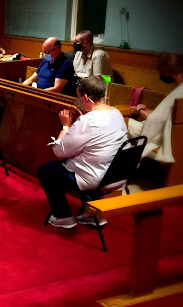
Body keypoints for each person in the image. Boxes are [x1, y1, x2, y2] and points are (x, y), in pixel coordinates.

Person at [38, 75, 128, 229]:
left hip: (95, 178)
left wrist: (66, 126)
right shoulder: (115, 112)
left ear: (85, 97)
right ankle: (92, 214)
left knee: (47, 170)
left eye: (78, 96)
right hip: (117, 175)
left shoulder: (88, 121)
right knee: (80, 161)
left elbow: (60, 151)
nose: (77, 99)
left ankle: (63, 216)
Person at [128, 53, 183, 163]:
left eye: (163, 73)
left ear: (173, 73)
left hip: (159, 137)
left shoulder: (182, 92)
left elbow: (156, 120)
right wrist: (146, 109)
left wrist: (140, 110)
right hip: (173, 133)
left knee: (124, 124)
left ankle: (126, 165)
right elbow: (165, 115)